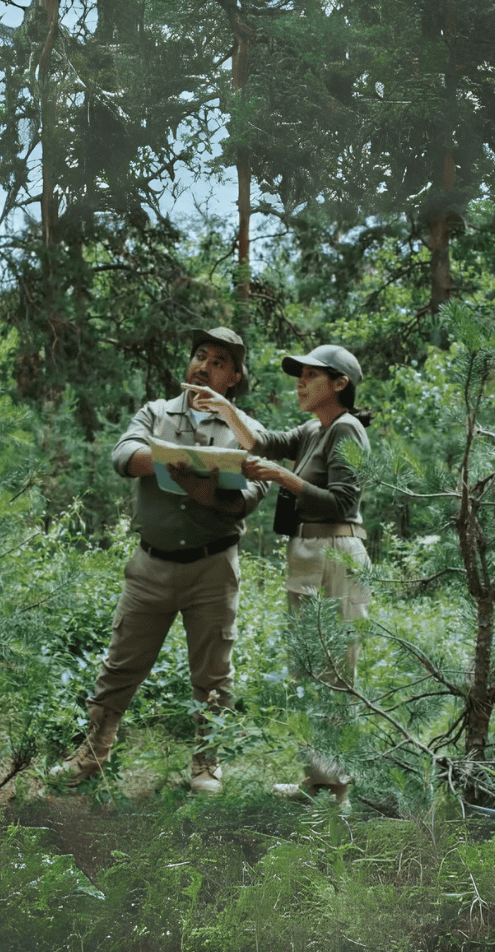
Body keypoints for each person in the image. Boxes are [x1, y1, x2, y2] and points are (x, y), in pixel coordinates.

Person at [51, 327, 268, 795]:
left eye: (217, 362)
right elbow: (124, 454)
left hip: (214, 567)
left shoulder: (243, 428)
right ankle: (91, 753)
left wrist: (212, 491)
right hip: (151, 566)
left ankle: (206, 764)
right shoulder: (155, 413)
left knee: (213, 672)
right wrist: (170, 463)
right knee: (120, 664)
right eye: (199, 355)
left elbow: (256, 488)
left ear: (232, 378)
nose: (203, 366)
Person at [185, 344, 371, 804]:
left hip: (337, 549)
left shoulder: (346, 429)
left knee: (333, 671)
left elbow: (343, 501)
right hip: (310, 551)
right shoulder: (314, 429)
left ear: (340, 383)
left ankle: (338, 789)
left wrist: (282, 477)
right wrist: (228, 409)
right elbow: (263, 443)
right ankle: (318, 779)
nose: (300, 383)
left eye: (310, 375)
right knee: (308, 667)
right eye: (299, 375)